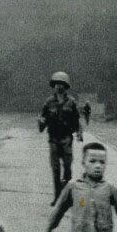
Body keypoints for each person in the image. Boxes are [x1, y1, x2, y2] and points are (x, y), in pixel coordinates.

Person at [38, 71, 81, 205]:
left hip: (66, 138)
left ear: (66, 86)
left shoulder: (72, 102)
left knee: (67, 168)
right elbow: (43, 119)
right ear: (53, 86)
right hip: (53, 139)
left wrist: (79, 132)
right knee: (55, 169)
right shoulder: (49, 102)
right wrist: (40, 121)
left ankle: (66, 197)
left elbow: (77, 119)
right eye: (56, 84)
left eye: (61, 84)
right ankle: (57, 197)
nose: (59, 86)